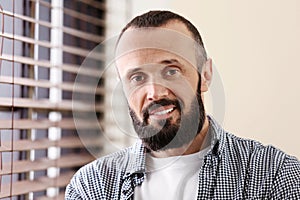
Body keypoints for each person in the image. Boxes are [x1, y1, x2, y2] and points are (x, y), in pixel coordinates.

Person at [65, 10, 300, 199]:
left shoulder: (276, 176)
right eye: (137, 78)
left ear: (205, 75)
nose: (155, 93)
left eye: (171, 71)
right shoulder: (92, 187)